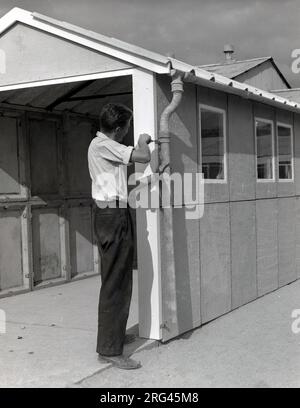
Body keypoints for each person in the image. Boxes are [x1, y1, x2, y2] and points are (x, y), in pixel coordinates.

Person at [88, 103, 151, 370]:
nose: (128, 132)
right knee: (117, 282)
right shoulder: (103, 144)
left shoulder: (103, 145)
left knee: (117, 279)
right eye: (127, 127)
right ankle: (110, 351)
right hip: (111, 215)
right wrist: (142, 140)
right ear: (117, 128)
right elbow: (143, 157)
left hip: (113, 212)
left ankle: (113, 338)